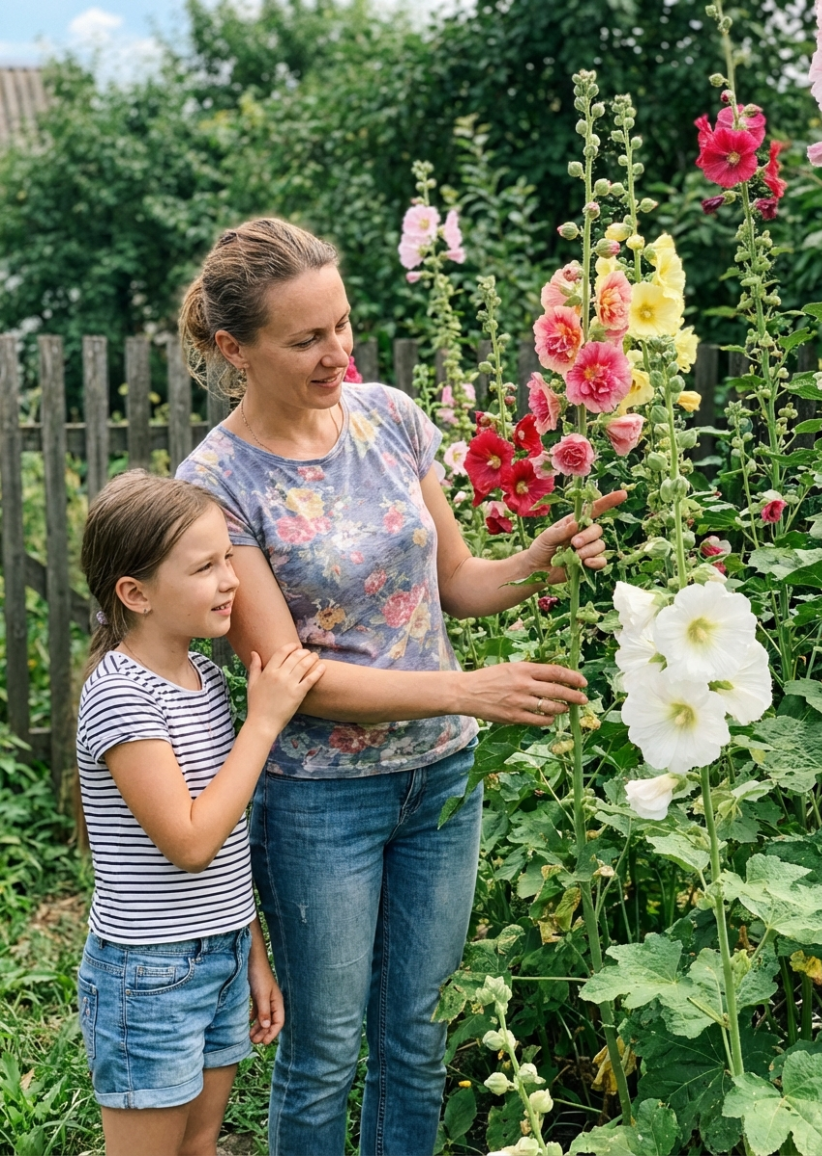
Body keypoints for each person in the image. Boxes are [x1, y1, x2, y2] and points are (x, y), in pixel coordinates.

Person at [176, 217, 626, 1156]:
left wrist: (537, 561)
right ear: (234, 348)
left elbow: (456, 581)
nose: (337, 351)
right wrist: (466, 692)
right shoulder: (216, 483)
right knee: (324, 1051)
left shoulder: (390, 417)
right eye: (305, 338)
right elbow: (293, 681)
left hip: (439, 784)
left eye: (342, 324)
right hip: (320, 801)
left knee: (417, 1039)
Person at [75, 470, 325, 1156]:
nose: (231, 581)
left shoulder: (204, 678)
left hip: (218, 957)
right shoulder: (121, 697)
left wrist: (250, 953)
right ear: (136, 594)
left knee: (200, 1144)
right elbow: (190, 843)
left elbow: (228, 845)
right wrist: (263, 723)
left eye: (227, 560)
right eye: (205, 568)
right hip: (148, 975)